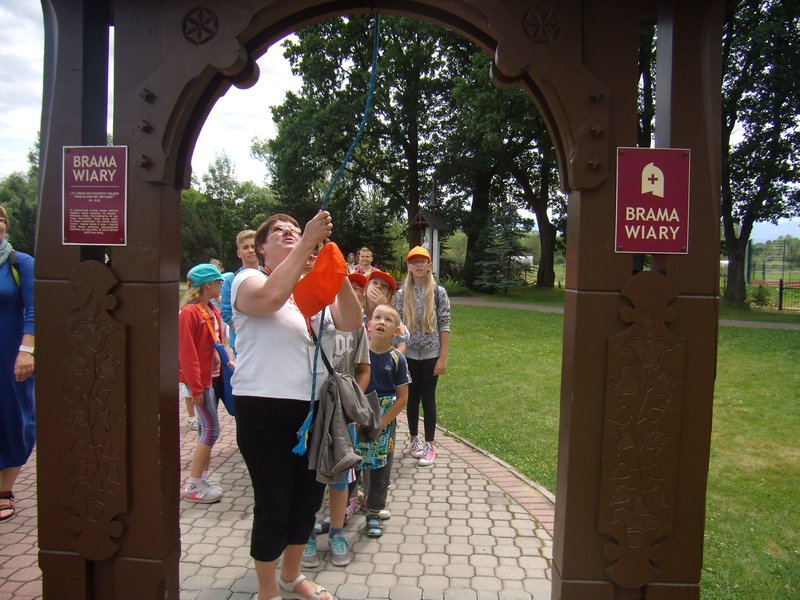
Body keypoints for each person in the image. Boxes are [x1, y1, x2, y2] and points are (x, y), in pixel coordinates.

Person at [230, 211, 362, 600]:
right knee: (274, 504)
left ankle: (291, 576)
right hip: (263, 412)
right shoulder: (248, 280)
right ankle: (267, 591)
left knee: (306, 502)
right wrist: (306, 241)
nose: (290, 233)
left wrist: (335, 272)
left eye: (295, 230)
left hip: (312, 412)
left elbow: (351, 321)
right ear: (261, 247)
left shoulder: (309, 290)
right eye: (280, 231)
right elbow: (270, 299)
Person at [302, 271, 371, 569]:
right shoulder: (305, 317)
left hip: (342, 414)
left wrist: (351, 403)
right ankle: (304, 534)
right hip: (309, 410)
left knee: (341, 476)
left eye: (356, 288)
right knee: (308, 476)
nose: (350, 292)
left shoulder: (355, 326)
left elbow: (363, 369)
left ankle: (337, 533)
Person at [394, 246, 451, 467]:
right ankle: (414, 439)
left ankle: (430, 443)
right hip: (408, 354)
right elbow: (397, 324)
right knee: (411, 397)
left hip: (431, 353)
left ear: (429, 265)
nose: (418, 265)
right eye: (414, 262)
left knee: (428, 397)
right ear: (408, 266)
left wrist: (442, 357)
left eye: (422, 261)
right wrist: (398, 353)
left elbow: (444, 324)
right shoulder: (401, 294)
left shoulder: (438, 292)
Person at [357, 303, 410, 538]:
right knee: (352, 464)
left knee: (381, 467)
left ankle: (374, 512)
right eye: (377, 317)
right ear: (368, 325)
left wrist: (382, 422)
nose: (381, 322)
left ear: (396, 331)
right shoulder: (358, 354)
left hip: (384, 421)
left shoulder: (398, 359)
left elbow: (403, 397)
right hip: (359, 416)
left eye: (388, 320)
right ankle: (345, 505)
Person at [179, 263, 227, 503]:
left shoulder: (211, 309)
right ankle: (194, 484)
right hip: (201, 382)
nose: (221, 286)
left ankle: (202, 477)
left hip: (213, 377)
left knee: (205, 429)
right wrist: (196, 387)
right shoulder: (190, 313)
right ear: (207, 284)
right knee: (211, 429)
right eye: (218, 282)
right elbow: (187, 353)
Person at [0, 205, 35, 522]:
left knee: (15, 419)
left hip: (10, 356)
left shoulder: (19, 263)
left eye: (0, 219)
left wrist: (27, 351)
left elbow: (35, 309)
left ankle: (5, 489)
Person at [220, 229, 259, 356]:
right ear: (239, 253)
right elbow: (226, 311)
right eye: (246, 247)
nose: (251, 250)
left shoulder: (268, 276)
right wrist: (245, 332)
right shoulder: (230, 280)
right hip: (242, 343)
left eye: (253, 246)